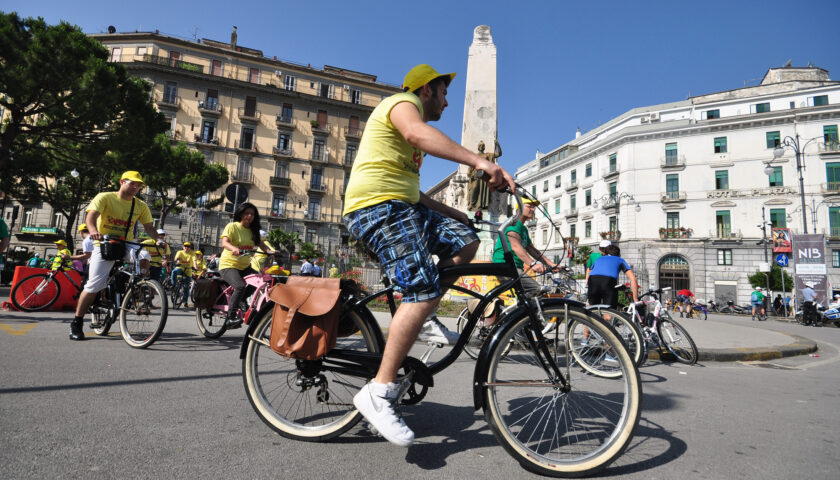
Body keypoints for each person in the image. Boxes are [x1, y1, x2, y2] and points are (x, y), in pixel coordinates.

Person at [342, 63, 514, 447]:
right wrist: (480, 161)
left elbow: (414, 194)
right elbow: (418, 134)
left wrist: (458, 215)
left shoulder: (406, 148)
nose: (448, 101)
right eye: (444, 92)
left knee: (465, 241)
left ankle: (425, 312)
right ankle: (379, 391)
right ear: (425, 91)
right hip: (376, 207)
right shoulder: (402, 104)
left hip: (402, 204)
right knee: (421, 287)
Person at [69, 171, 159, 341]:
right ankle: (77, 322)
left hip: (126, 243)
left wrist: (159, 240)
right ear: (121, 182)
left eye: (139, 185)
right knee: (93, 285)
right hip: (104, 242)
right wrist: (94, 232)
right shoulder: (105, 197)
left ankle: (136, 285)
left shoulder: (140, 205)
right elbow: (91, 217)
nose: (136, 188)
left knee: (145, 256)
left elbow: (149, 228)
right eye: (132, 183)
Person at [219, 202, 274, 328]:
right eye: (247, 213)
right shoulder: (232, 226)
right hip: (228, 265)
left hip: (244, 267)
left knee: (260, 281)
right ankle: (230, 318)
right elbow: (225, 242)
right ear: (241, 214)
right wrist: (233, 248)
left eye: (252, 214)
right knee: (240, 286)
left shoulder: (253, 231)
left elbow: (262, 245)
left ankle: (240, 301)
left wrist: (271, 252)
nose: (249, 216)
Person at [491, 197, 558, 297]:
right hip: (504, 266)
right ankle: (520, 311)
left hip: (515, 267)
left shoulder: (523, 228)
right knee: (536, 290)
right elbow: (516, 247)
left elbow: (532, 250)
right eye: (529, 206)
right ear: (519, 208)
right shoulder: (513, 223)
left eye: (534, 207)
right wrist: (533, 264)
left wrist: (552, 264)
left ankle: (520, 311)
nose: (533, 209)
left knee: (526, 296)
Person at [587, 244, 639, 309]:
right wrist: (635, 299)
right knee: (609, 312)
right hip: (608, 280)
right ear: (619, 254)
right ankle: (608, 317)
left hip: (592, 280)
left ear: (605, 253)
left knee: (592, 309)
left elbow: (589, 270)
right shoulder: (620, 260)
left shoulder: (598, 259)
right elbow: (632, 278)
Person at [171, 242, 196, 308]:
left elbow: (194, 260)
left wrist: (195, 267)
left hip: (188, 270)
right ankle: (173, 285)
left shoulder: (192, 253)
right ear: (183, 247)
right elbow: (175, 259)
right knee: (174, 272)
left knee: (186, 287)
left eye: (188, 247)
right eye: (185, 246)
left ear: (190, 248)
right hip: (180, 268)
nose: (186, 248)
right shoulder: (180, 252)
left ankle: (185, 302)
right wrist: (177, 259)